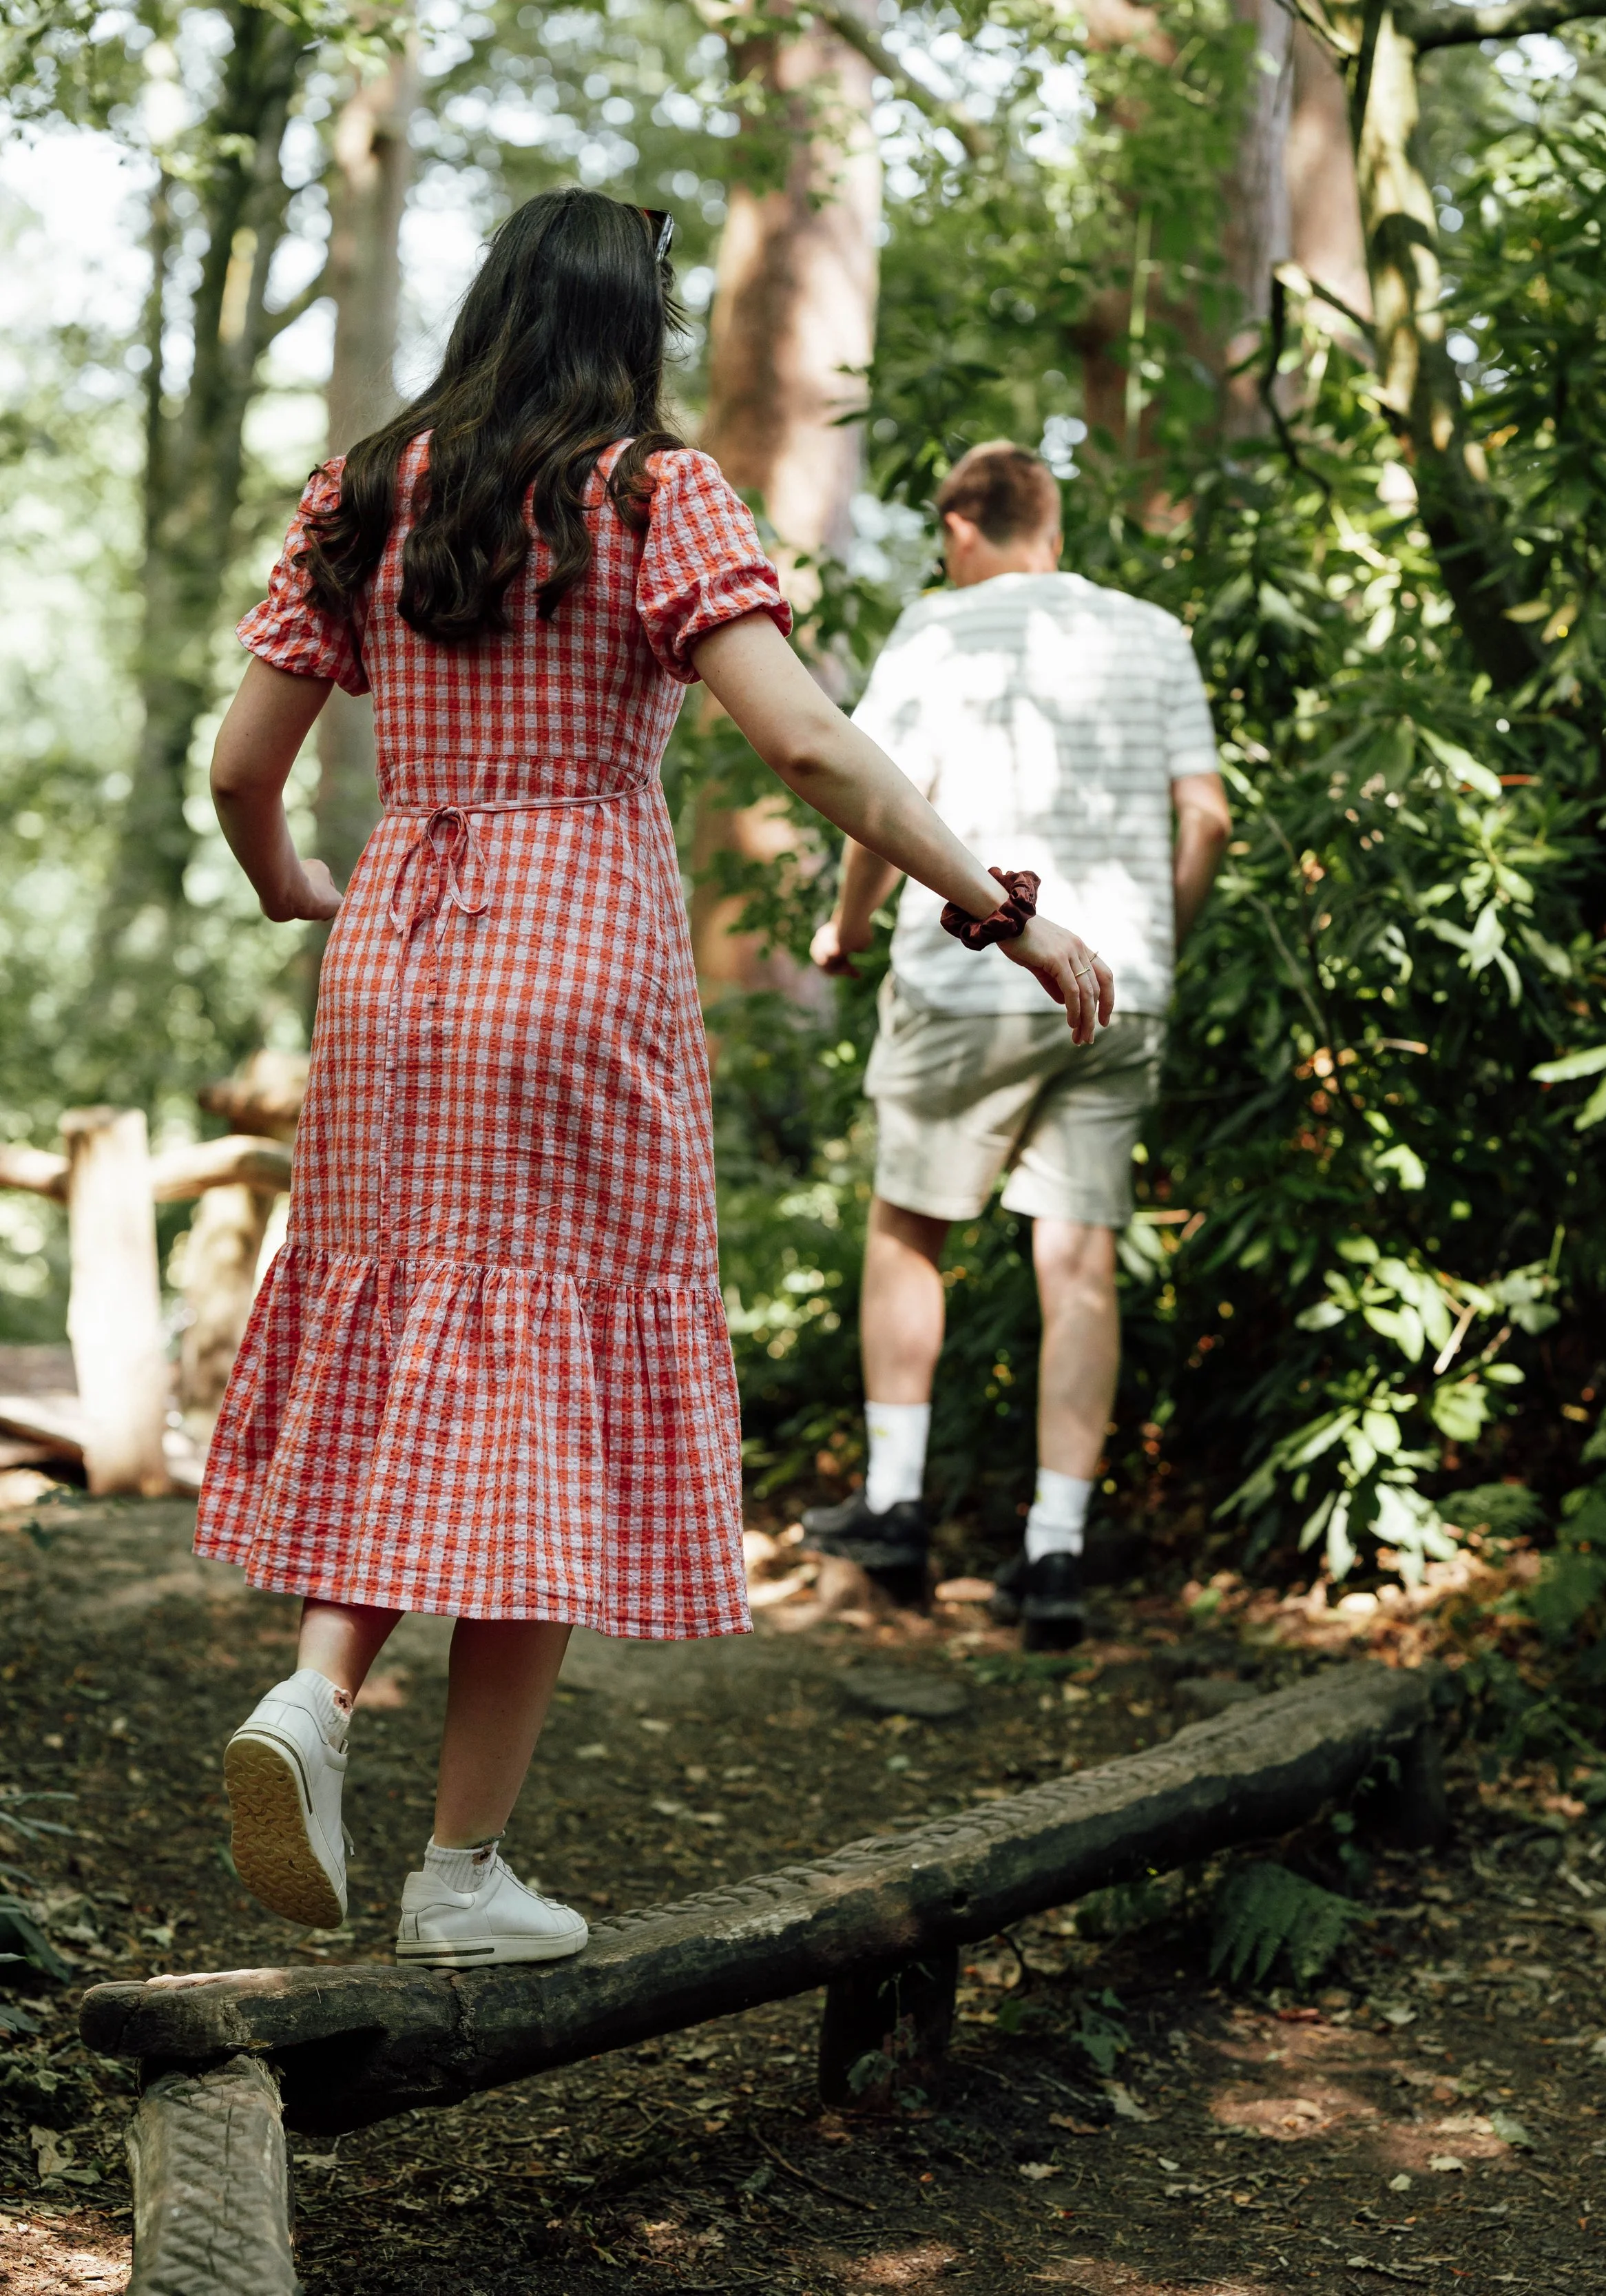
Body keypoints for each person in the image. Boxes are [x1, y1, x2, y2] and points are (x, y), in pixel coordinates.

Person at [200, 195, 1110, 1968]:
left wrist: (296, 887)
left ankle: (318, 1691)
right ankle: (460, 1871)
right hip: (575, 964)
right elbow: (803, 738)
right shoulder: (646, 491)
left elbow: (246, 765)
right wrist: (993, 905)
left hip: (398, 962)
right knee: (531, 1375)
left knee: (416, 1336)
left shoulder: (365, 491)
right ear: (635, 322)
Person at [802, 439, 1230, 1650]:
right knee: (1079, 1261)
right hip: (1120, 988)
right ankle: (1053, 1555)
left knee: (908, 1229)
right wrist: (1149, 948)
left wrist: (844, 934)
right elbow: (1207, 817)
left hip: (971, 971)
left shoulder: (940, 629)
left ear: (962, 525)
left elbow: (877, 799)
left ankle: (894, 1505)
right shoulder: (1155, 632)